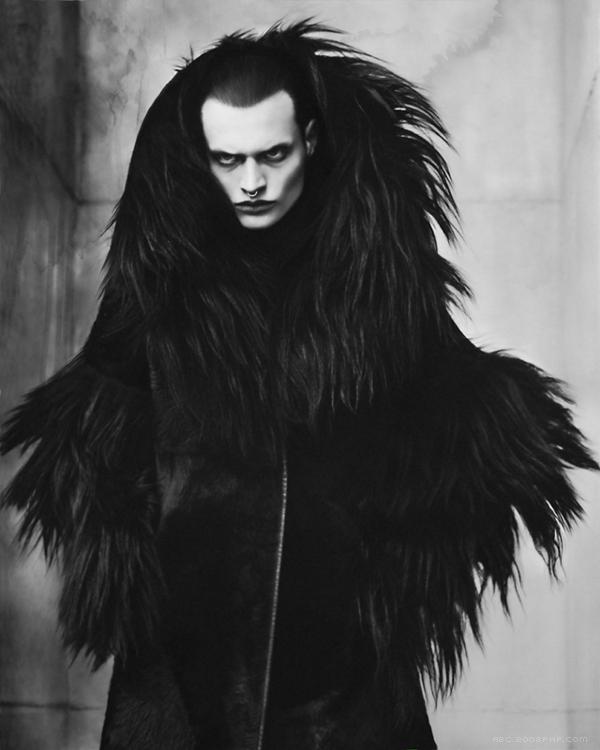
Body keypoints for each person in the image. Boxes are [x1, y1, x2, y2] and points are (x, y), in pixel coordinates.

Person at [1, 20, 596, 750]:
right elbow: (98, 444)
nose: (250, 182)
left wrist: (381, 561)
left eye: (272, 155)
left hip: (347, 684)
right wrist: (153, 573)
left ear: (310, 141)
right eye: (227, 160)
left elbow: (463, 426)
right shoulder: (162, 280)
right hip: (182, 678)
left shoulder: (377, 277)